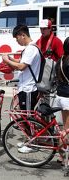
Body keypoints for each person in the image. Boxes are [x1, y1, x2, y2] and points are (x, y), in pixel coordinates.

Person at [2, 24, 41, 153]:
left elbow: (21, 67)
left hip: (29, 88)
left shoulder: (31, 49)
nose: (17, 41)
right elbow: (20, 64)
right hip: (26, 88)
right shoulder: (30, 49)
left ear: (22, 35)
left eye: (16, 38)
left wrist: (7, 61)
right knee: (26, 115)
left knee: (28, 116)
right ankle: (29, 139)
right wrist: (12, 59)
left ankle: (32, 144)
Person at [54, 37, 69, 165]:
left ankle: (62, 156)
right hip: (68, 98)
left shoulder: (60, 61)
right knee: (66, 129)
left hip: (60, 96)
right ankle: (63, 157)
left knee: (63, 127)